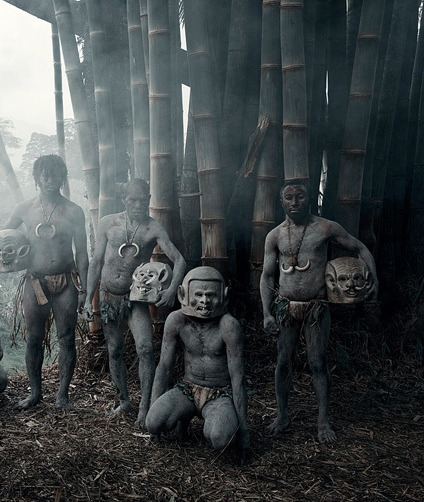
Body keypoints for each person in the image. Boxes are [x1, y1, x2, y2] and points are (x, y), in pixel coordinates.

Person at [260, 179, 378, 443]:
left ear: (309, 199)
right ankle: (282, 416)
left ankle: (323, 423)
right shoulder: (275, 235)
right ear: (281, 203)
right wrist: (267, 313)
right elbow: (267, 277)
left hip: (317, 307)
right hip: (285, 307)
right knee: (283, 362)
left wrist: (374, 278)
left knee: (317, 363)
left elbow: (359, 247)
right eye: (288, 198)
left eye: (300, 197)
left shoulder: (325, 227)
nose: (294, 202)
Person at [83, 178, 186, 427]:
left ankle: (144, 408)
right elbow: (96, 262)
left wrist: (172, 290)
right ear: (124, 200)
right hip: (108, 296)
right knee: (115, 350)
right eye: (133, 200)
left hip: (136, 298)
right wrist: (88, 299)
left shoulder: (153, 228)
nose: (139, 204)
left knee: (145, 349)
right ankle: (124, 401)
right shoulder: (108, 222)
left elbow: (180, 260)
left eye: (144, 200)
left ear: (149, 200)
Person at [3, 155, 88, 410]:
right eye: (45, 175)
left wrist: (84, 289)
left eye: (56, 175)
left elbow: (82, 252)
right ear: (37, 177)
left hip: (66, 282)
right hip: (35, 281)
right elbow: (3, 237)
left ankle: (62, 397)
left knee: (66, 337)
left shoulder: (74, 211)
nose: (51, 180)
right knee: (34, 338)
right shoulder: (24, 208)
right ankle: (35, 393)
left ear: (63, 177)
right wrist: (1, 259)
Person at [145, 267, 250, 462]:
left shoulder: (228, 326)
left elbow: (238, 378)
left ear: (224, 296)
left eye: (210, 295)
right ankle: (182, 419)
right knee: (152, 422)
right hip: (187, 388)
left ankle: (223, 424)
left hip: (219, 393)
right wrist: (153, 415)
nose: (204, 301)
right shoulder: (176, 320)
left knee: (220, 439)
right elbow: (163, 368)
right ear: (183, 294)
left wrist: (244, 431)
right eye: (199, 295)